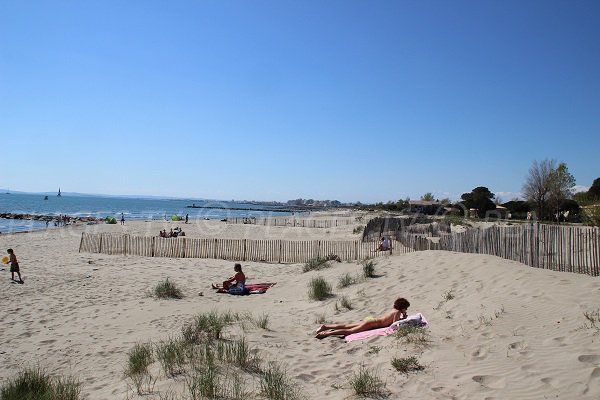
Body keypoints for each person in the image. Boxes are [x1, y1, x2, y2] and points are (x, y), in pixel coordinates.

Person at [315, 297, 410, 339]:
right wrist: (404, 319)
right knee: (349, 331)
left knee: (347, 326)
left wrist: (402, 318)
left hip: (371, 320)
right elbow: (394, 325)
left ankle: (325, 327)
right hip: (371, 323)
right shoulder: (397, 312)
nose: (406, 310)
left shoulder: (393, 310)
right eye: (406, 308)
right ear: (403, 307)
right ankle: (326, 334)